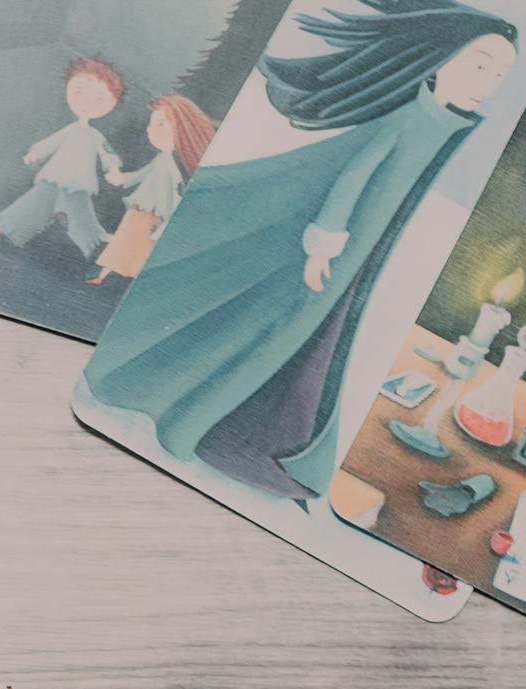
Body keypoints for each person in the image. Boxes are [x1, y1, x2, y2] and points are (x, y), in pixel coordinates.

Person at [82, 0, 518, 499]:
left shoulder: (441, 124)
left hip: (352, 265)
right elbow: (353, 179)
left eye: (502, 72)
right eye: (481, 63)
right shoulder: (409, 117)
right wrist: (322, 246)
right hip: (328, 257)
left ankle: (233, 421)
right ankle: (188, 410)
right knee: (263, 327)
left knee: (283, 339)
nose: (490, 80)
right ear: (442, 58)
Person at [0, 56, 127, 261]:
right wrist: (35, 153)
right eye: (79, 92)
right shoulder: (71, 130)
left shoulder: (95, 136)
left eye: (99, 98)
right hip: (55, 177)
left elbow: (107, 154)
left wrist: (113, 170)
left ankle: (97, 247)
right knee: (32, 206)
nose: (86, 102)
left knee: (81, 217)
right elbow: (50, 143)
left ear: (112, 102)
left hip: (77, 184)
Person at [91, 94, 219, 282]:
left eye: (161, 124)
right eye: (152, 124)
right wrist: (121, 179)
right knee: (127, 241)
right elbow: (141, 175)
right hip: (143, 208)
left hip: (153, 211)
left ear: (183, 129)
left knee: (136, 244)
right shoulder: (162, 160)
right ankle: (107, 274)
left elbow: (176, 188)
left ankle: (120, 273)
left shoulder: (169, 165)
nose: (151, 131)